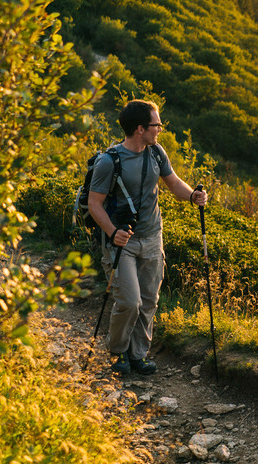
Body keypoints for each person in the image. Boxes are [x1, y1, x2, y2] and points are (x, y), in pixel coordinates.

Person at [88, 99, 207, 375]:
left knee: (149, 300)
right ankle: (118, 353)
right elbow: (95, 203)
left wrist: (192, 196)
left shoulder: (156, 153)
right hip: (122, 242)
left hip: (153, 236)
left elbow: (173, 182)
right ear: (140, 128)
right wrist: (112, 232)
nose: (160, 129)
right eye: (157, 125)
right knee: (130, 301)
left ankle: (138, 354)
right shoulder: (109, 162)